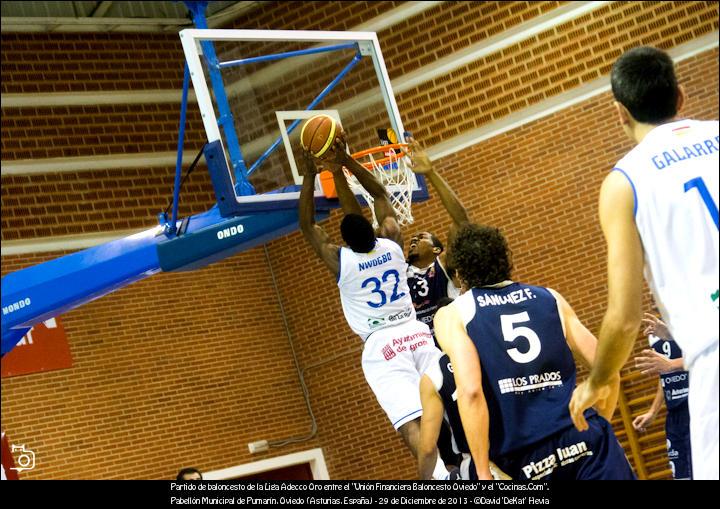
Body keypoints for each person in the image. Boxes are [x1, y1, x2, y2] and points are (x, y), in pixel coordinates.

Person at [568, 46, 718, 480]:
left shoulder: (624, 182)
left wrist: (597, 382)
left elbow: (626, 316)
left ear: (620, 112)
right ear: (681, 96)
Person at [297, 138, 449, 480]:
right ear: (375, 230)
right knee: (450, 399)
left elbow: (308, 227)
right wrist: (344, 162)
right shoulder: (392, 241)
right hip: (416, 334)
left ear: (345, 241)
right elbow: (379, 194)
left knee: (410, 420)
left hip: (383, 346)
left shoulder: (340, 260)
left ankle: (440, 478)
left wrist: (310, 176)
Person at [433, 223, 635, 480]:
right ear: (505, 260)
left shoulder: (453, 314)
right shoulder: (550, 297)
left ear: (460, 272)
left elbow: (471, 392)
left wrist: (482, 472)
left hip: (526, 458)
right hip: (584, 437)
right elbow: (607, 369)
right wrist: (600, 425)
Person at [404, 138, 469, 340]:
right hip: (419, 350)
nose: (414, 239)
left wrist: (431, 173)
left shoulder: (444, 267)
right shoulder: (400, 271)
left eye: (422, 237)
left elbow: (461, 222)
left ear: (437, 250)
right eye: (413, 238)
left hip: (452, 343)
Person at [632, 313, 692, 480]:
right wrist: (653, 411)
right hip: (675, 415)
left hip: (697, 408)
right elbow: (664, 374)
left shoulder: (695, 316)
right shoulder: (656, 330)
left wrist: (672, 364)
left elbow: (710, 357)